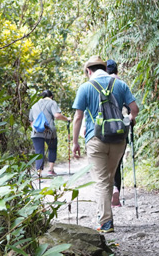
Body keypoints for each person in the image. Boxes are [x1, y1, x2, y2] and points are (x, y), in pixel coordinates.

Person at [71, 55, 139, 233]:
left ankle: (106, 221)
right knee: (108, 178)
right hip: (118, 139)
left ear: (88, 71)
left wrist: (75, 142)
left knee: (101, 181)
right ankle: (105, 215)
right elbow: (135, 110)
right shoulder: (120, 84)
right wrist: (128, 120)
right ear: (104, 67)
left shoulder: (86, 87)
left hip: (95, 139)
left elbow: (78, 117)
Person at [29, 90, 68, 176]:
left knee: (39, 151)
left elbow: (31, 122)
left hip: (36, 132)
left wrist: (39, 128)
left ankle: (39, 172)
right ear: (51, 97)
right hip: (49, 131)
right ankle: (51, 169)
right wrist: (67, 119)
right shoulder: (52, 103)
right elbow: (57, 115)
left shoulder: (34, 105)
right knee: (52, 148)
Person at [107, 59, 126, 208]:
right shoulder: (121, 84)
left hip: (102, 131)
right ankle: (116, 190)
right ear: (117, 71)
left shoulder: (98, 85)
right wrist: (131, 120)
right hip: (120, 130)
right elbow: (133, 108)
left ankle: (107, 193)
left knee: (103, 165)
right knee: (117, 163)